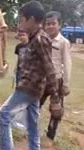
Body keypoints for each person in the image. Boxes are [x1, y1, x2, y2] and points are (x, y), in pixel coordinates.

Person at [0, 1, 62, 150]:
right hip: (34, 89)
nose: (19, 23)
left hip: (29, 88)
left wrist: (55, 99)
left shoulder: (40, 39)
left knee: (4, 114)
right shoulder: (32, 37)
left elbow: (50, 69)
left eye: (21, 19)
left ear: (31, 20)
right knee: (32, 123)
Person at [41, 11, 72, 148]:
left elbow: (67, 63)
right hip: (41, 80)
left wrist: (65, 84)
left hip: (56, 81)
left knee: (56, 111)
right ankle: (31, 128)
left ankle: (50, 137)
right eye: (47, 24)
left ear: (59, 25)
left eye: (53, 23)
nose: (50, 26)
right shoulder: (41, 39)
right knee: (34, 105)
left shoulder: (63, 42)